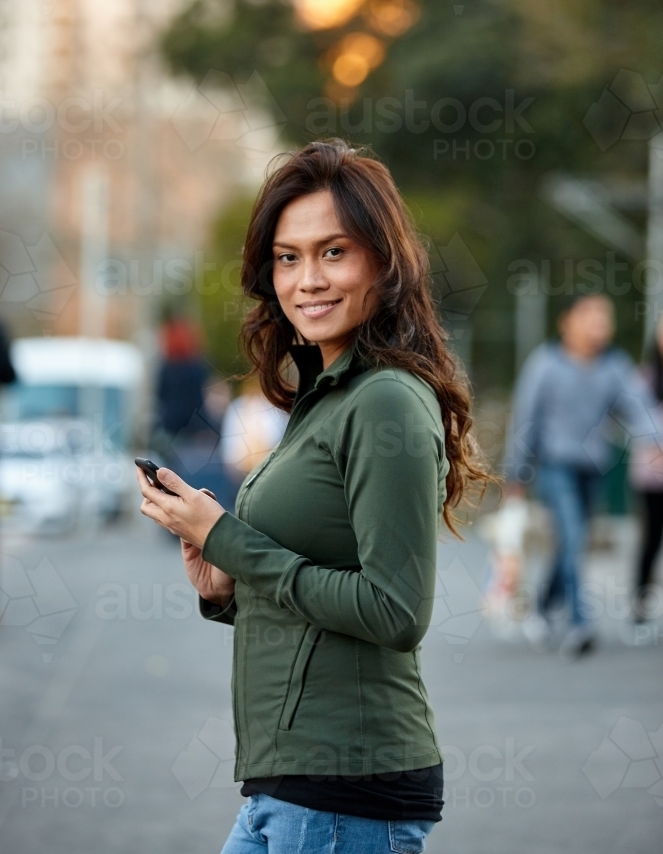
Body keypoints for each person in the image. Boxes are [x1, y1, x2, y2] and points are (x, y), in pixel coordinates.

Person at [136, 140, 488, 854]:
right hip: (292, 785)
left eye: (334, 252)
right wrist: (224, 587)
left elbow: (393, 611)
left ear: (382, 264)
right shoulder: (323, 397)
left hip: (343, 789)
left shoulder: (385, 400)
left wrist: (232, 539)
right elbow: (314, 592)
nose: (307, 280)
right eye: (288, 257)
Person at [504, 293, 661, 657]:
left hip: (594, 469)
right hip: (555, 467)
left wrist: (658, 440)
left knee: (571, 545)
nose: (599, 324)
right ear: (567, 321)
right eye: (590, 315)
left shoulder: (615, 367)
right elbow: (525, 421)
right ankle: (580, 623)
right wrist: (516, 475)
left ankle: (542, 606)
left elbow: (640, 410)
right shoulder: (545, 364)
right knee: (573, 537)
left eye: (604, 317)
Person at [629, 310, 663, 622]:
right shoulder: (645, 378)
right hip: (652, 474)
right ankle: (640, 600)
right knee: (652, 539)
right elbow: (636, 419)